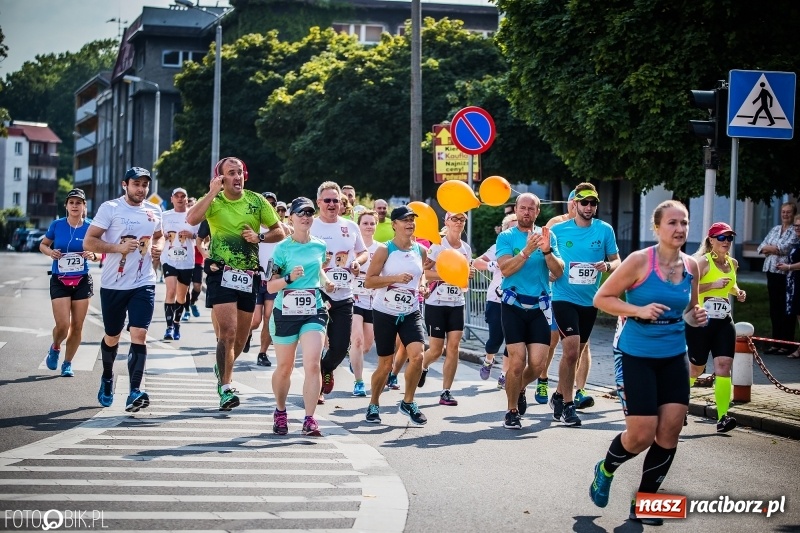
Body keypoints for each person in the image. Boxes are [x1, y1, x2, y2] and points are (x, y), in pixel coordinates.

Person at [590, 200, 707, 526]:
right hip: (636, 355)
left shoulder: (691, 266)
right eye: (672, 223)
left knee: (669, 432)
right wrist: (637, 311)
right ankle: (605, 469)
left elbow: (689, 310)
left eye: (684, 223)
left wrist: (696, 316)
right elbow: (603, 299)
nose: (680, 229)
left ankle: (645, 503)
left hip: (673, 356)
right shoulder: (639, 261)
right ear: (657, 228)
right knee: (641, 435)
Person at [186, 157, 284, 411]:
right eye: (232, 173)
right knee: (227, 332)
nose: (238, 177)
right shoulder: (214, 202)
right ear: (221, 178)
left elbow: (279, 231)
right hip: (222, 273)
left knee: (241, 337)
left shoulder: (255, 200)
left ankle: (222, 371)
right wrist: (211, 192)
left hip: (249, 275)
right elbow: (191, 219)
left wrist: (259, 236)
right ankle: (227, 387)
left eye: (240, 172)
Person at [83, 167, 164, 412]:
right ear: (124, 185)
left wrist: (158, 247)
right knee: (113, 336)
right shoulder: (111, 208)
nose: (141, 189)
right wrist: (118, 249)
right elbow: (90, 241)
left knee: (139, 333)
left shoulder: (154, 210)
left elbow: (158, 236)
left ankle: (135, 391)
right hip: (113, 284)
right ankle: (107, 376)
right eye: (136, 184)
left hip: (143, 282)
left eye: (144, 185)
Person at [549, 185, 620, 427]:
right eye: (584, 203)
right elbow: (546, 258)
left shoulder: (604, 230)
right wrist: (549, 272)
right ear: (575, 205)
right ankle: (569, 407)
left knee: (575, 354)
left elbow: (617, 260)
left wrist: (608, 267)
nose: (589, 207)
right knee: (569, 351)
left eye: (593, 203)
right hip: (563, 297)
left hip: (589, 302)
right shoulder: (558, 230)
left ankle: (558, 394)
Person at [496, 193, 564, 429]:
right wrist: (526, 251)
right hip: (513, 305)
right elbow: (505, 269)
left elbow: (559, 270)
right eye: (522, 208)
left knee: (537, 365)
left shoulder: (548, 236)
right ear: (516, 209)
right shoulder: (506, 236)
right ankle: (512, 410)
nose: (526, 212)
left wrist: (546, 251)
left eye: (531, 209)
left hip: (539, 306)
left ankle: (519, 387)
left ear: (537, 212)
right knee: (517, 362)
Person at [268, 197, 333, 436]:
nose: (305, 217)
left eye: (309, 213)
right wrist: (288, 279)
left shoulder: (320, 246)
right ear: (290, 218)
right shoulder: (281, 248)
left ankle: (309, 418)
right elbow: (270, 287)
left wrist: (328, 283)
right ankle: (281, 410)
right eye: (300, 213)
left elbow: (319, 271)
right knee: (284, 367)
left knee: (313, 364)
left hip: (312, 310)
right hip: (285, 311)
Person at [364, 206, 429, 424]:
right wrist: (394, 279)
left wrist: (423, 286)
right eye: (405, 220)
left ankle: (408, 402)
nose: (410, 223)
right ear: (394, 225)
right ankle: (374, 403)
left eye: (412, 219)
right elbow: (369, 281)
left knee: (418, 355)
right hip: (385, 312)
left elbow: (422, 277)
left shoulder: (420, 250)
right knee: (385, 365)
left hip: (411, 311)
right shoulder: (385, 250)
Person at [686, 222, 747, 433]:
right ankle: (679, 405)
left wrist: (738, 292)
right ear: (711, 240)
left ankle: (722, 417)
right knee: (696, 368)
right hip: (701, 321)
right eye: (722, 238)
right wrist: (712, 285)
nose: (726, 242)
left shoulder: (733, 263)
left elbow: (731, 284)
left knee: (723, 366)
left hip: (723, 322)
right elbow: (688, 288)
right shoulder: (701, 262)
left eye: (729, 238)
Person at [312, 182, 368, 401]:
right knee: (315, 343)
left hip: (344, 294)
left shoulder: (350, 226)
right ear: (319, 203)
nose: (332, 204)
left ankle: (327, 369)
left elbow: (363, 252)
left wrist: (357, 263)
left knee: (340, 346)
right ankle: (315, 388)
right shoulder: (311, 226)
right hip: (317, 293)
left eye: (336, 200)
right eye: (327, 200)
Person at [40, 188, 97, 377]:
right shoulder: (57, 225)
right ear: (66, 206)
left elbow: (100, 252)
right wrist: (51, 253)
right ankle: (55, 347)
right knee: (63, 325)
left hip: (82, 280)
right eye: (71, 202)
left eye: (78, 203)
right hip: (60, 280)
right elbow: (43, 244)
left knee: (78, 326)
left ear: (84, 206)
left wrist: (93, 254)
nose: (75, 206)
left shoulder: (91, 227)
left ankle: (67, 363)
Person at [419, 212, 473, 406]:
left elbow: (464, 279)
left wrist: (467, 275)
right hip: (436, 303)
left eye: (462, 219)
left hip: (457, 302)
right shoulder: (437, 246)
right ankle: (423, 365)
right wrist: (446, 274)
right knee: (435, 350)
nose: (458, 223)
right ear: (446, 222)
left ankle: (446, 391)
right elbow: (424, 272)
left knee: (454, 347)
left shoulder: (466, 249)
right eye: (454, 219)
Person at [535, 189, 577, 404]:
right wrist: (548, 271)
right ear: (570, 203)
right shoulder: (556, 223)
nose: (580, 206)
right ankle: (542, 379)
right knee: (551, 341)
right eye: (576, 201)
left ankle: (575, 390)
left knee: (580, 346)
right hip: (556, 291)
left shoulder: (594, 227)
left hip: (580, 295)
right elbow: (544, 248)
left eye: (589, 202)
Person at [473, 213, 518, 389]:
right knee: (495, 339)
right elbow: (477, 263)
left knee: (513, 340)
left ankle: (504, 375)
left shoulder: (526, 250)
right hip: (496, 299)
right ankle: (488, 360)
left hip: (516, 300)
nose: (514, 230)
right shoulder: (497, 247)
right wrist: (492, 265)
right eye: (510, 227)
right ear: (504, 230)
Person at [757, 201, 799, 354]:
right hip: (771, 271)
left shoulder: (795, 231)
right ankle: (775, 342)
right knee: (774, 308)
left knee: (785, 309)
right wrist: (770, 249)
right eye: (783, 212)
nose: (785, 214)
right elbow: (761, 247)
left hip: (786, 274)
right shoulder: (775, 229)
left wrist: (771, 249)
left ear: (793, 214)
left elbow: (785, 248)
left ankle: (786, 344)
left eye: (788, 212)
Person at [160, 187, 200, 341]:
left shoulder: (193, 216)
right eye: (177, 196)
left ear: (186, 198)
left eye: (183, 196)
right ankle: (169, 327)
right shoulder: (165, 216)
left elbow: (203, 238)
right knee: (170, 291)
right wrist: (162, 235)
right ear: (172, 199)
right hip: (168, 259)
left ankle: (177, 323)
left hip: (187, 261)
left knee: (181, 296)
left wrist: (192, 235)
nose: (180, 199)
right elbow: (157, 235)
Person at [350, 209, 380, 397]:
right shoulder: (353, 248)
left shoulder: (381, 248)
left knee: (367, 345)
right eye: (365, 223)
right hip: (354, 298)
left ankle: (355, 359)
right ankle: (359, 382)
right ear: (358, 226)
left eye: (372, 223)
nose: (368, 226)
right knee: (358, 340)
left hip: (373, 300)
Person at [777, 214, 800, 358]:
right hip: (795, 283)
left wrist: (789, 267)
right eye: (796, 226)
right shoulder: (798, 241)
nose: (797, 228)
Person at [184, 196, 204, 319]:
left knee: (197, 286)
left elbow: (206, 238)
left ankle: (192, 303)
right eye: (189, 204)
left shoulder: (202, 221)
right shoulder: (182, 220)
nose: (192, 207)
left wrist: (193, 235)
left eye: (194, 205)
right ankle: (186, 310)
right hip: (185, 258)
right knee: (185, 287)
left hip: (198, 258)